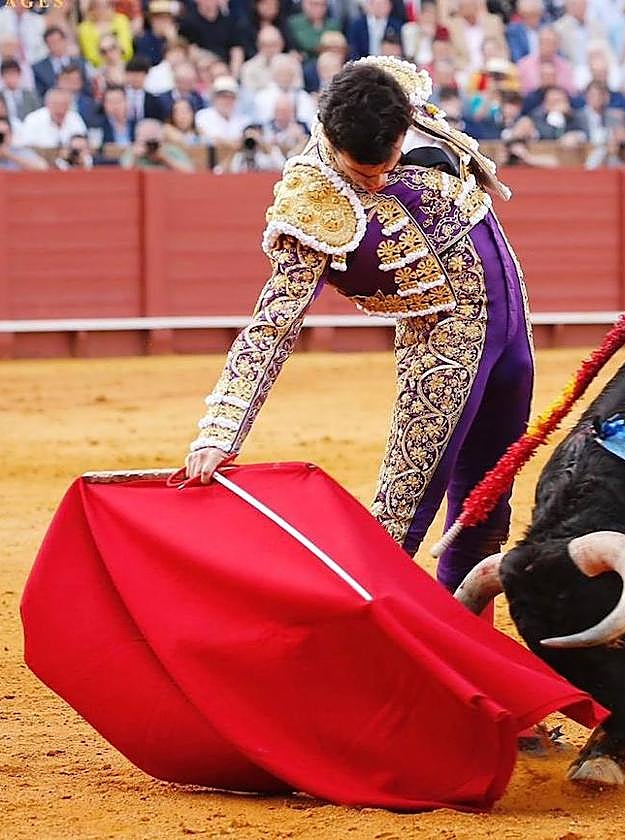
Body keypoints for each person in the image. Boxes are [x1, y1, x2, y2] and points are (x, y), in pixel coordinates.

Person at [185, 58, 535, 598]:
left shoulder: (397, 97)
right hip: (443, 346)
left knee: (485, 510)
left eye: (387, 161)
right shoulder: (313, 204)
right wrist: (219, 433)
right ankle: (354, 654)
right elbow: (271, 326)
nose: (376, 178)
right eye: (360, 171)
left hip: (512, 321)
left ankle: (466, 651)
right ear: (329, 136)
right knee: (396, 524)